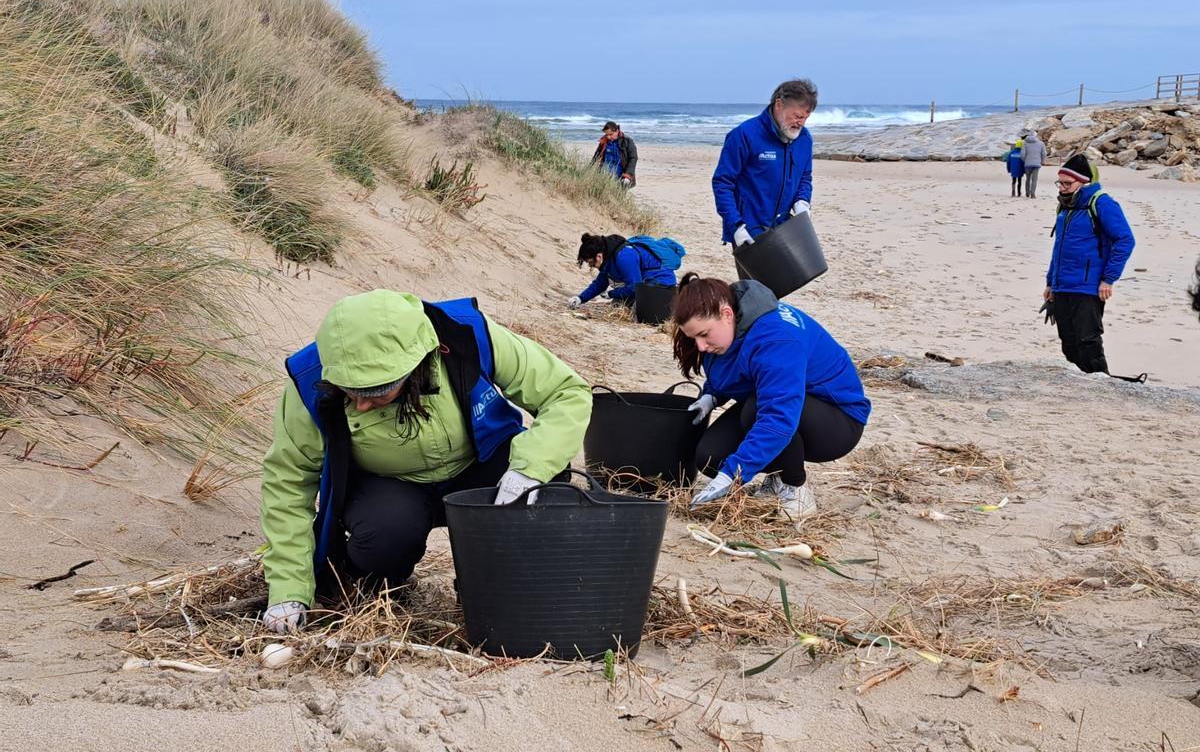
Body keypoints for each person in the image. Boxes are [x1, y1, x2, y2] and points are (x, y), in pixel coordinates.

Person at [259, 289, 592, 633]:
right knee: (384, 535)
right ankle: (384, 585)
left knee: (546, 485)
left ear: (416, 366)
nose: (359, 405)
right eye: (348, 391)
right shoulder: (309, 379)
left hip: (483, 464)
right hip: (390, 487)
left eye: (375, 393)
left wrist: (529, 469)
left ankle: (487, 585)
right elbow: (288, 482)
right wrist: (288, 591)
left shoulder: (466, 334)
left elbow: (566, 392)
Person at [671, 273, 870, 522]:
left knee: (755, 412)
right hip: (785, 401)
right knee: (711, 457)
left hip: (837, 420)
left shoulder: (776, 340)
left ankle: (795, 489)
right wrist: (710, 396)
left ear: (727, 314)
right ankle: (778, 474)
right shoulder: (733, 327)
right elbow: (736, 366)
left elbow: (778, 418)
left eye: (704, 334)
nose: (700, 346)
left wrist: (733, 475)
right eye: (694, 338)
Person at [1042, 154, 1136, 376]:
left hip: (1088, 286)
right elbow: (1059, 249)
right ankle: (1082, 387)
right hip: (1062, 285)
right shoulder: (1065, 207)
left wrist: (1108, 278)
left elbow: (1125, 240)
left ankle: (1103, 386)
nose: (1062, 188)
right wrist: (1050, 282)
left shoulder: (1101, 203)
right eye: (1060, 183)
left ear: (1084, 182)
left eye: (1068, 183)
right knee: (1069, 343)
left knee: (1088, 342)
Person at [712, 79, 816, 251]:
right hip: (748, 230)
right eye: (797, 116)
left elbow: (805, 176)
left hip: (787, 228)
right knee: (756, 279)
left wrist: (802, 201)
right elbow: (722, 182)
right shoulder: (744, 135)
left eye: (806, 118)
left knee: (792, 278)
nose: (801, 123)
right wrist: (735, 226)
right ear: (779, 105)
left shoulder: (804, 139)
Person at [567, 233, 680, 309]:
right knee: (617, 304)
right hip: (646, 284)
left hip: (662, 284)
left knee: (635, 310)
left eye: (591, 263)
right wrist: (580, 298)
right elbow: (600, 284)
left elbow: (635, 287)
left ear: (599, 256)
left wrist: (611, 293)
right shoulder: (608, 259)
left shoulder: (624, 257)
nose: (591, 266)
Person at [589, 121, 638, 188]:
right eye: (606, 135)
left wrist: (628, 175)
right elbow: (596, 155)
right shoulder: (603, 141)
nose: (608, 137)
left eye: (611, 134)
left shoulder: (627, 141)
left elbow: (633, 158)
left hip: (621, 177)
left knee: (618, 197)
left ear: (617, 131)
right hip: (605, 176)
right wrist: (588, 169)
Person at [1021, 128, 1046, 198]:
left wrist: (1025, 161)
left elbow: (1022, 154)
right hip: (1037, 164)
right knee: (1034, 179)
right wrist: (1042, 161)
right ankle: (1033, 194)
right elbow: (1044, 154)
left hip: (1027, 164)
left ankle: (1027, 193)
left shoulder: (1025, 143)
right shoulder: (1041, 143)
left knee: (1028, 179)